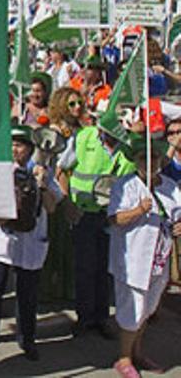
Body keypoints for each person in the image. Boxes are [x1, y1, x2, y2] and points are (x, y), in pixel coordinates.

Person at [0, 126, 62, 360]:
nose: (16, 149)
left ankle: (27, 338)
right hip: (2, 238)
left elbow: (52, 206)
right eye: (12, 144)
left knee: (28, 294)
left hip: (32, 240)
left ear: (30, 148)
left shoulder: (42, 171)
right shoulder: (0, 170)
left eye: (20, 145)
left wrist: (43, 183)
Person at [107, 136, 181, 377]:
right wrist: (138, 211)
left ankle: (137, 352)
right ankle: (124, 357)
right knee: (132, 310)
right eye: (142, 158)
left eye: (153, 157)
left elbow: (177, 216)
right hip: (133, 260)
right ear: (135, 160)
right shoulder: (124, 185)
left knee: (147, 309)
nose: (149, 162)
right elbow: (115, 219)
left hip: (159, 259)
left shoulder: (170, 186)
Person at [60, 115, 135, 338]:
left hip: (112, 217)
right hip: (84, 214)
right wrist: (68, 203)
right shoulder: (83, 138)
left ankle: (102, 317)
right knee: (85, 267)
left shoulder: (128, 145)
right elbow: (61, 169)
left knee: (106, 268)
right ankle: (84, 317)